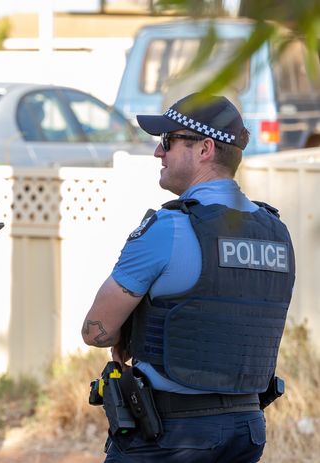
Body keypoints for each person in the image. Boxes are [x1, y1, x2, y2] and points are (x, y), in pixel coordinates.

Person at [81, 93, 295, 462]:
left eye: (168, 141)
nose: (157, 153)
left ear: (204, 149)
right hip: (246, 430)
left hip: (171, 434)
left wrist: (128, 333)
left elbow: (95, 330)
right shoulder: (275, 232)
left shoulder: (170, 228)